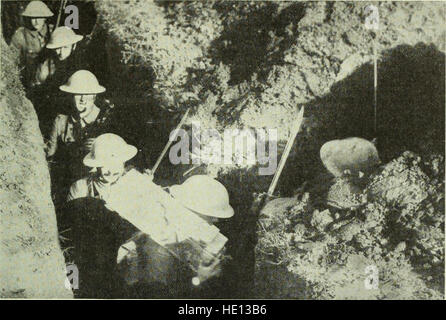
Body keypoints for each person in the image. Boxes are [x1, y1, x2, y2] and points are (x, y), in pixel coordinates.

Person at [64, 134, 230, 298]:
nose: (110, 170)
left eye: (115, 164)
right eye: (103, 165)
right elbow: (74, 231)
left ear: (123, 162)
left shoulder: (136, 183)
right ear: (95, 166)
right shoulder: (80, 189)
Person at [46, 70, 115, 206]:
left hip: (99, 184)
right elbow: (50, 154)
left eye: (88, 94)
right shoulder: (61, 121)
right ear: (71, 96)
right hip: (68, 182)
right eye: (78, 94)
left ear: (95, 96)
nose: (83, 100)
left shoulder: (107, 122)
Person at [10, 1, 53, 90]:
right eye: (33, 18)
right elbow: (12, 61)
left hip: (51, 80)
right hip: (30, 82)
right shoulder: (21, 35)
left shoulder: (52, 32)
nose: (36, 21)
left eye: (39, 17)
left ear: (45, 17)